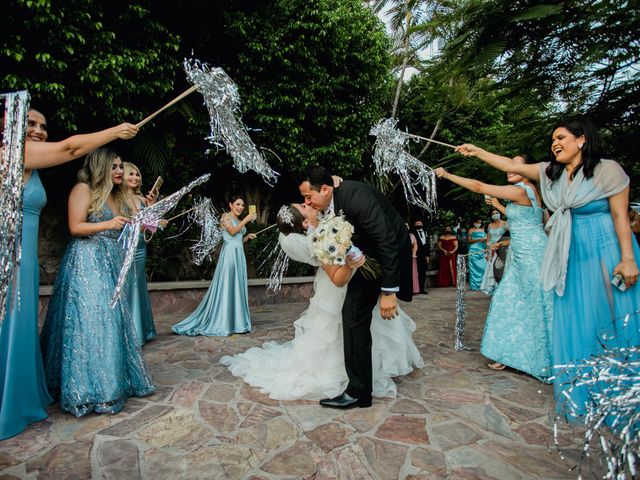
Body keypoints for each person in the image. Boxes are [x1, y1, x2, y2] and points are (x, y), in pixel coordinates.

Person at [456, 118, 640, 420]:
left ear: (582, 140)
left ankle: (622, 387)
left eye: (561, 137)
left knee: (611, 311)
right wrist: (477, 151)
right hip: (570, 251)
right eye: (552, 139)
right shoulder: (551, 175)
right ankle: (588, 386)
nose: (555, 143)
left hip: (605, 246)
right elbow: (507, 166)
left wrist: (628, 258)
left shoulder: (608, 170)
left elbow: (621, 217)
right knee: (579, 316)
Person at [0, 112, 139, 438]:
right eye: (30, 124)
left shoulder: (29, 165)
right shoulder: (11, 152)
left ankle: (18, 395)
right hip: (8, 257)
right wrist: (115, 130)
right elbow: (70, 150)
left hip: (25, 260)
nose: (38, 130)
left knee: (20, 324)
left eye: (43, 127)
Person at [220, 204, 423, 400]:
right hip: (339, 285)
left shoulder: (324, 225)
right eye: (303, 205)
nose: (307, 203)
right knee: (340, 328)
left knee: (365, 323)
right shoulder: (320, 240)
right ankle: (350, 371)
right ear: (306, 223)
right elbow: (337, 277)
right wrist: (352, 260)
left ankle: (371, 365)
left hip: (357, 279)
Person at [40, 148, 154, 417]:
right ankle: (86, 389)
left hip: (111, 261)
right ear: (101, 167)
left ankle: (111, 382)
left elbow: (136, 225)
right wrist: (108, 225)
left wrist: (149, 208)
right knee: (89, 322)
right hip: (87, 261)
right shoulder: (83, 189)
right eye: (114, 166)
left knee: (110, 321)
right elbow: (76, 227)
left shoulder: (119, 195)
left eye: (120, 166)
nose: (119, 171)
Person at [297, 166, 413, 409]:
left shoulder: (356, 198)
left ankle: (358, 392)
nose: (307, 202)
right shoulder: (334, 198)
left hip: (385, 254)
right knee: (351, 316)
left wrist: (388, 292)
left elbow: (386, 239)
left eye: (309, 197)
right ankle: (359, 391)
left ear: (326, 189)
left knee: (353, 317)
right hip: (365, 259)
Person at [436, 155, 553, 380]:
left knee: (535, 301)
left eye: (516, 164)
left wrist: (448, 175)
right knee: (511, 300)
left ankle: (541, 356)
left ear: (528, 168)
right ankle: (512, 354)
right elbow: (521, 218)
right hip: (523, 251)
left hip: (531, 253)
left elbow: (478, 186)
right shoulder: (531, 191)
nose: (509, 168)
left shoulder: (521, 190)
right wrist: (498, 205)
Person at [172, 195, 257, 336]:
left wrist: (246, 237)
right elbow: (231, 232)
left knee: (237, 286)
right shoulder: (225, 216)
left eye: (242, 205)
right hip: (229, 256)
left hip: (238, 255)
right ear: (231, 205)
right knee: (228, 285)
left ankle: (237, 322)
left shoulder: (238, 220)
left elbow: (236, 239)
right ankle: (223, 322)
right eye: (238, 204)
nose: (240, 207)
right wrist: (247, 220)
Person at [122, 162, 157, 346]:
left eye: (137, 174)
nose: (135, 177)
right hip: (125, 246)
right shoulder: (117, 198)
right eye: (131, 174)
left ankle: (141, 330)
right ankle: (128, 331)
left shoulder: (143, 200)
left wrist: (152, 206)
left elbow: (150, 228)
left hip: (141, 247)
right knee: (127, 285)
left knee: (138, 284)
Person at [480, 203, 509, 295]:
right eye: (493, 213)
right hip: (491, 248)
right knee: (490, 266)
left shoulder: (505, 224)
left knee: (500, 266)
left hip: (501, 247)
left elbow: (509, 236)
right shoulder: (490, 225)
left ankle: (501, 287)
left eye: (497, 212)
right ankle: (492, 288)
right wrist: (486, 250)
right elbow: (488, 237)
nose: (495, 214)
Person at [410, 219, 431, 294]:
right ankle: (414, 289)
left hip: (424, 256)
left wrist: (428, 255)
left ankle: (422, 289)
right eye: (417, 223)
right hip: (416, 255)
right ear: (415, 225)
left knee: (423, 273)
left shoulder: (426, 232)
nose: (419, 224)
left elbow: (428, 245)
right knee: (415, 272)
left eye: (420, 223)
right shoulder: (412, 233)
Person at [467, 218, 487, 290]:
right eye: (478, 222)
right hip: (473, 250)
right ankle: (475, 286)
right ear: (474, 223)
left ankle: (483, 285)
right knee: (473, 268)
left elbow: (487, 238)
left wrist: (485, 240)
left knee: (484, 267)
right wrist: (478, 239)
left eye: (480, 222)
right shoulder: (470, 230)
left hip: (482, 250)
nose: (479, 224)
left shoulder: (483, 230)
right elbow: (469, 241)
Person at [408, 224, 420, 294]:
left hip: (412, 256)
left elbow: (415, 245)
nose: (406, 227)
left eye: (407, 226)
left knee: (413, 272)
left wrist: (413, 253)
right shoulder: (400, 235)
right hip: (404, 256)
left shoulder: (412, 236)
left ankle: (414, 289)